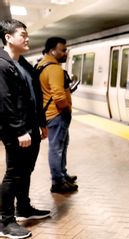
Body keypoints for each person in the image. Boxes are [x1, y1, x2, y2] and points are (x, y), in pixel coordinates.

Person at [0, 19, 51, 239]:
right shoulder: (2, 65)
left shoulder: (23, 63)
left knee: (26, 171)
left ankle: (24, 207)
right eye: (22, 34)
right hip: (16, 130)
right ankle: (5, 220)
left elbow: (33, 97)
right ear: (8, 37)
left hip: (31, 128)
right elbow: (5, 101)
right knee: (14, 174)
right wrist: (19, 130)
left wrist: (42, 122)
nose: (27, 37)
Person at [37, 37, 78, 193]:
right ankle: (58, 182)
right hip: (57, 114)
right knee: (57, 148)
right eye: (63, 50)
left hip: (49, 114)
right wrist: (66, 109)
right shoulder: (54, 69)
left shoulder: (42, 64)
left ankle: (62, 173)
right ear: (52, 51)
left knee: (61, 146)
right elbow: (59, 96)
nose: (65, 53)